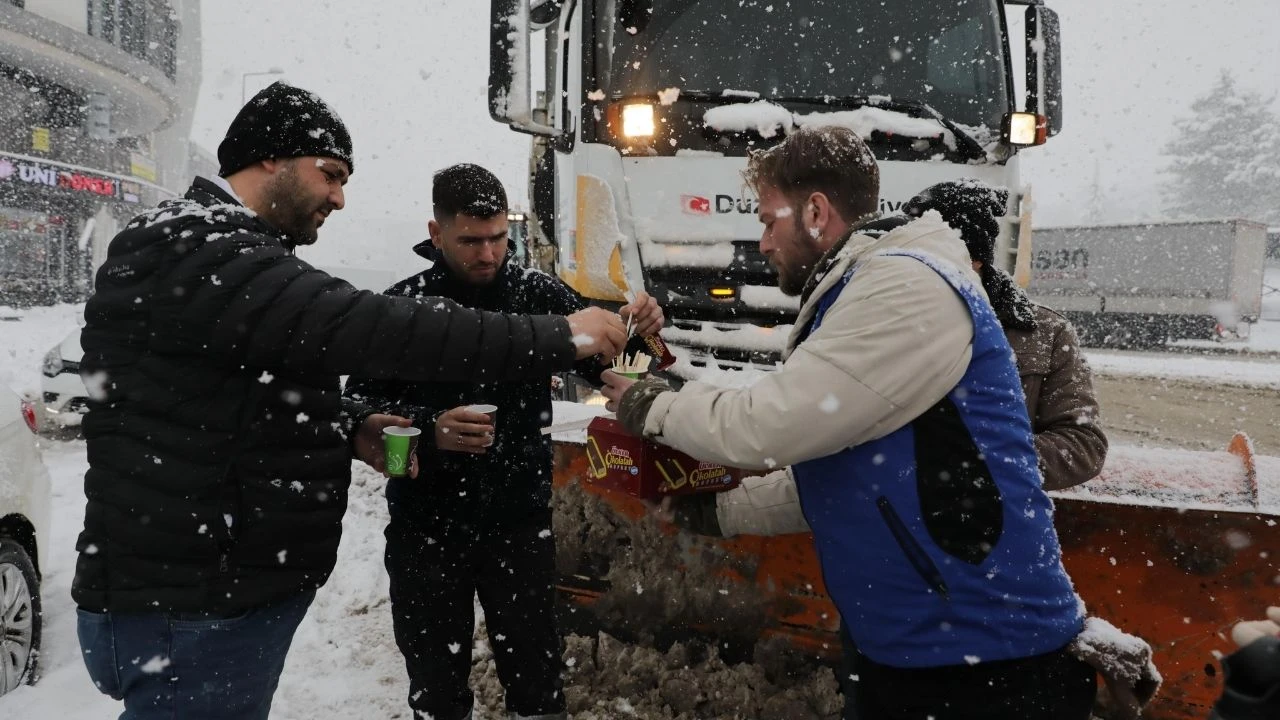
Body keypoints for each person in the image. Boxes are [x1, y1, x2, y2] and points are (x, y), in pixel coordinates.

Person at [72, 84, 627, 720]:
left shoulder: (215, 256)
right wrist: (562, 335)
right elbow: (377, 330)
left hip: (206, 590)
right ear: (271, 159)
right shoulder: (207, 252)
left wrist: (347, 426)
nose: (339, 197)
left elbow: (239, 398)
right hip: (196, 601)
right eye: (330, 174)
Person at [601, 125, 1096, 720]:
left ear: (815, 212)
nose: (760, 242)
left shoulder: (905, 285)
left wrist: (648, 406)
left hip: (982, 657)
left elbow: (766, 428)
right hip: (917, 645)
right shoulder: (868, 286)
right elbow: (857, 471)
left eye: (767, 220)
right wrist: (723, 511)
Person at [344, 164, 663, 720]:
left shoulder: (536, 292)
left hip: (519, 525)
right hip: (427, 529)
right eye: (470, 240)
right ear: (436, 231)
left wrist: (640, 329)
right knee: (437, 692)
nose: (488, 254)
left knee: (537, 685)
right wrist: (429, 427)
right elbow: (359, 411)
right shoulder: (405, 307)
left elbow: (614, 368)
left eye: (497, 238)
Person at [903, 180, 1107, 490]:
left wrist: (986, 466)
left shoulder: (1045, 332)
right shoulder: (890, 320)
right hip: (897, 520)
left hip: (998, 521)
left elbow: (1082, 443)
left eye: (938, 260)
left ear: (977, 260)